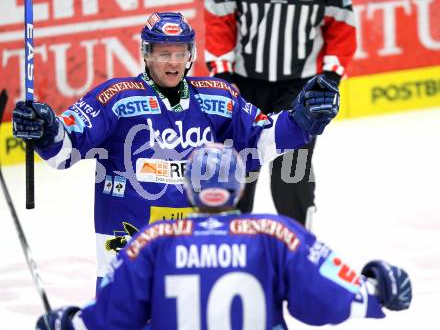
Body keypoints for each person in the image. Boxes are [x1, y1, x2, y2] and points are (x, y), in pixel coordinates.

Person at [12, 12, 339, 287]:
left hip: (196, 257)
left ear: (191, 54)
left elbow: (261, 139)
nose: (173, 62)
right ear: (146, 53)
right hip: (127, 259)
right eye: (163, 52)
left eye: (180, 52)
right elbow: (64, 149)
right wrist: (46, 129)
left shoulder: (218, 98)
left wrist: (301, 118)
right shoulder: (116, 98)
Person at [36, 144, 412, 330]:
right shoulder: (275, 234)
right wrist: (378, 288)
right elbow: (325, 300)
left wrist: (67, 322)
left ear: (189, 188)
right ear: (237, 188)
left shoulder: (154, 240)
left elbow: (112, 318)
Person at [204, 0, 357, 227]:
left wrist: (330, 78)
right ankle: (228, 239)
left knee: (291, 169)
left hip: (300, 87)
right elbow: (219, 16)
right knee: (237, 165)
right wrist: (224, 77)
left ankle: (299, 243)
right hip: (243, 85)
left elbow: (342, 24)